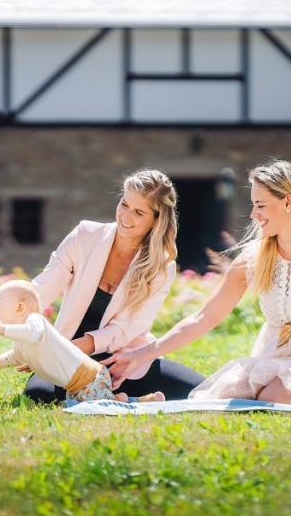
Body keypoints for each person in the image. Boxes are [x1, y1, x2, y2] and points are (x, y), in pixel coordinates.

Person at [105, 159, 291, 404]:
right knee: (227, 393)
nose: (253, 214)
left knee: (278, 397)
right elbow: (204, 318)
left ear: (288, 202)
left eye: (260, 205)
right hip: (274, 358)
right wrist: (142, 355)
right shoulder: (253, 259)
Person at [17, 169, 205, 403]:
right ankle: (126, 399)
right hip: (67, 351)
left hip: (122, 359)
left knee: (199, 390)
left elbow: (125, 329)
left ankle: (120, 396)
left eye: (138, 212)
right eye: (124, 204)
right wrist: (14, 317)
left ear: (156, 220)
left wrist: (63, 347)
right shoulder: (85, 235)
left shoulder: (161, 266)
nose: (126, 216)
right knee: (38, 395)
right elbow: (44, 286)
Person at [0, 281, 163, 403]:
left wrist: (1, 328)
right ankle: (126, 399)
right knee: (100, 403)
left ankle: (142, 402)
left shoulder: (35, 321)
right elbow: (15, 357)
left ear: (20, 308)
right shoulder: (21, 340)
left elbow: (32, 334)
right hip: (80, 383)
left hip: (88, 378)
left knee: (100, 409)